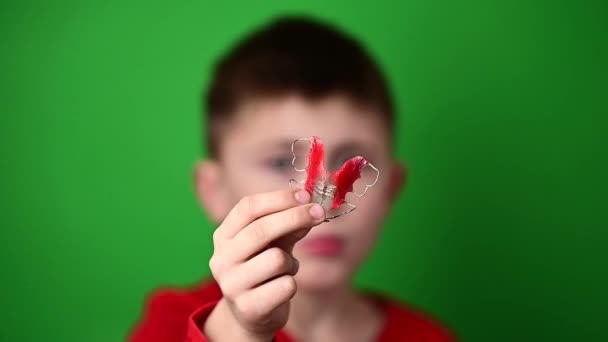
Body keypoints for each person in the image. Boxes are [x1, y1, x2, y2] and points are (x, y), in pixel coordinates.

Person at [130, 16, 455, 342]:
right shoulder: (171, 324)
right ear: (213, 190)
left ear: (391, 188)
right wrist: (239, 331)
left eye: (352, 164)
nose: (323, 199)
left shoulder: (428, 337)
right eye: (283, 162)